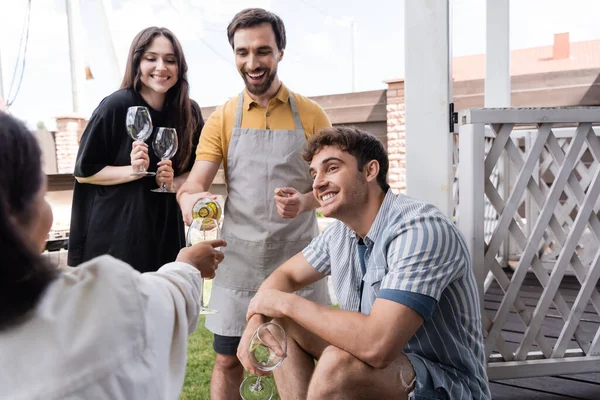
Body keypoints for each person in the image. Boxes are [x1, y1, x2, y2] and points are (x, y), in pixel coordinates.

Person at [239, 126, 491, 399]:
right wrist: (257, 320)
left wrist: (283, 302)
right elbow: (287, 275)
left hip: (447, 386)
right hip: (382, 371)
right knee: (281, 324)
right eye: (314, 174)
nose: (317, 183)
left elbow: (376, 346)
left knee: (338, 363)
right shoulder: (340, 233)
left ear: (370, 171)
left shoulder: (420, 229)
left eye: (332, 168)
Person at [0, 112, 226, 400]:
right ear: (20, 214)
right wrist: (189, 265)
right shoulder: (101, 307)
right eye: (41, 192)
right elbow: (164, 298)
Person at [176, 8, 331, 398]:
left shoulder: (312, 115)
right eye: (242, 52)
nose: (252, 62)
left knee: (300, 358)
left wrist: (306, 200)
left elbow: (333, 189)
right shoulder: (223, 118)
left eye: (262, 51)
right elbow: (191, 186)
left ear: (280, 52)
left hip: (299, 262)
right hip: (239, 262)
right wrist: (196, 202)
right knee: (228, 359)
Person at [68, 26, 204, 272]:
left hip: (164, 234)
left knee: (163, 304)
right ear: (137, 62)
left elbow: (194, 174)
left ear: (179, 67)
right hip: (117, 236)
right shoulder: (116, 105)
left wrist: (173, 183)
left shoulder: (189, 112)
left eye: (170, 60)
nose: (161, 67)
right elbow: (84, 171)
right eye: (151, 59)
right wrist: (132, 171)